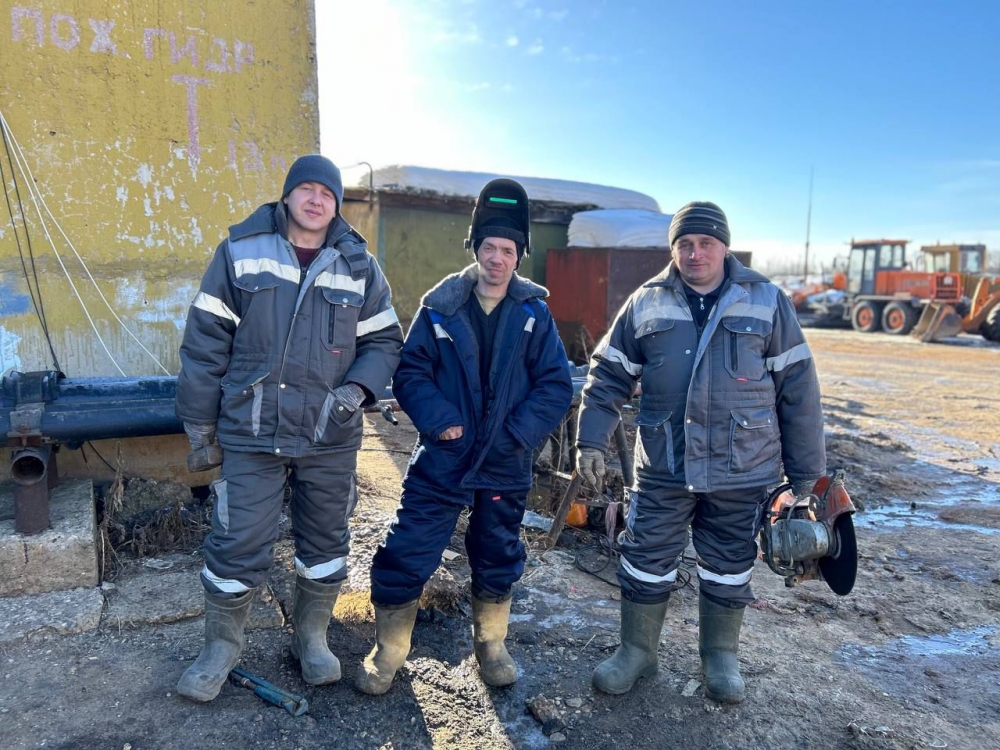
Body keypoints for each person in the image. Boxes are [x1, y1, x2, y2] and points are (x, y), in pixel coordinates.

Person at [174, 154, 403, 702]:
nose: (316, 200)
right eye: (307, 189)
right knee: (237, 540)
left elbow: (384, 340)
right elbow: (204, 345)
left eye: (327, 193)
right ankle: (220, 649)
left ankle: (311, 637)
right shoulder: (240, 252)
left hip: (329, 433)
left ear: (336, 205)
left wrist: (358, 389)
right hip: (252, 430)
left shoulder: (359, 265)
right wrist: (200, 426)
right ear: (287, 195)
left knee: (326, 540)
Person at [575, 201, 825, 703]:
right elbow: (607, 376)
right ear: (673, 250)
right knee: (645, 555)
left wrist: (807, 476)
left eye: (705, 243)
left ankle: (720, 656)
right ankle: (637, 652)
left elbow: (798, 388)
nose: (695, 254)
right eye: (684, 244)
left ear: (724, 246)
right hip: (664, 463)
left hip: (742, 464)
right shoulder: (646, 302)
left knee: (729, 559)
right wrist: (590, 440)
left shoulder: (766, 300)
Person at [356, 179, 573, 695]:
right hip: (445, 456)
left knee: (497, 552)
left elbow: (555, 384)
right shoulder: (440, 309)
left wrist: (519, 433)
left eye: (508, 250)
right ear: (474, 248)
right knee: (408, 546)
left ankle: (491, 646)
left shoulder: (534, 315)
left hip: (504, 459)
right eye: (489, 247)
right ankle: (389, 650)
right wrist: (440, 421)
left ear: (520, 255)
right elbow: (412, 373)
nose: (497, 258)